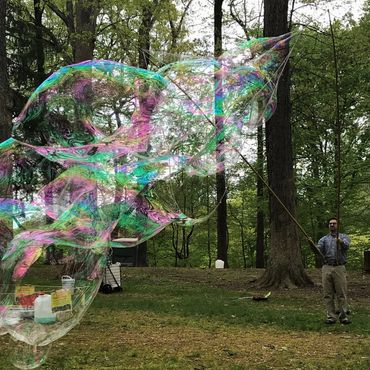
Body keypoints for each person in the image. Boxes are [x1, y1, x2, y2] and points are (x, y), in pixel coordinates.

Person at [317, 217, 351, 324]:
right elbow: (318, 250)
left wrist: (340, 241)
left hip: (339, 267)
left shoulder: (344, 236)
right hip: (326, 267)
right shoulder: (324, 239)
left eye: (334, 223)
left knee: (341, 293)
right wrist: (311, 244)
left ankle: (343, 316)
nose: (332, 225)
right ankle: (331, 317)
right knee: (328, 294)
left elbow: (346, 246)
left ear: (338, 225)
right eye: (330, 223)